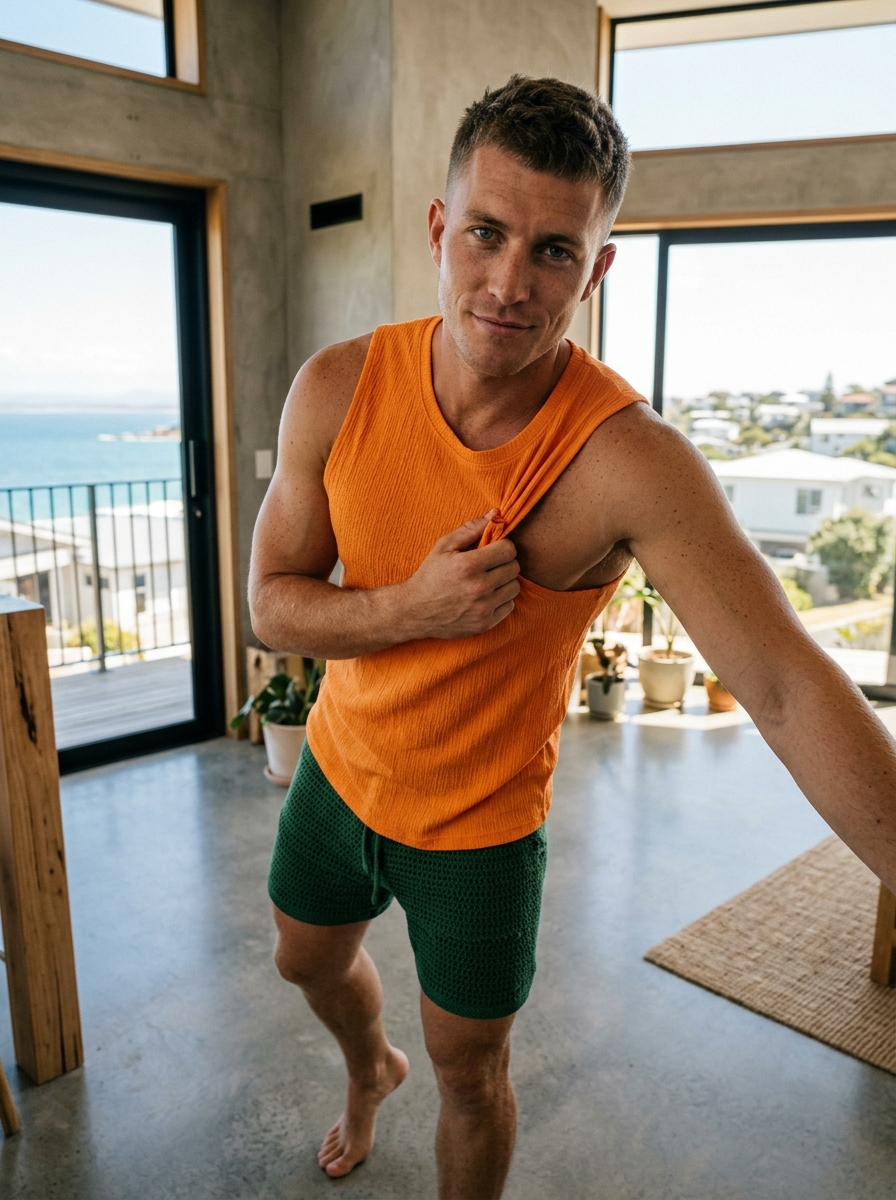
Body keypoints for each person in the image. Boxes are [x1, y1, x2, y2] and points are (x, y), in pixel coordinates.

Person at [249, 75, 896, 1199]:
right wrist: (413, 607)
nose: (509, 283)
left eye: (554, 250)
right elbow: (270, 603)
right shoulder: (338, 387)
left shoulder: (628, 459)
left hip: (481, 832)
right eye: (486, 234)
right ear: (440, 229)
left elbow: (785, 685)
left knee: (471, 1074)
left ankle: (415, 1079)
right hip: (339, 777)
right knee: (302, 960)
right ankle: (368, 1070)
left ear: (595, 270)